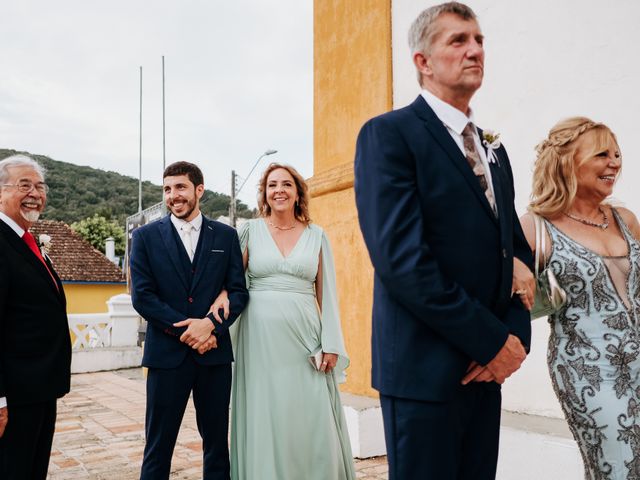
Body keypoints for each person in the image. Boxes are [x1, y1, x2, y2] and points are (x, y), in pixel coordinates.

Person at [354, 3, 535, 479]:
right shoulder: (389, 135)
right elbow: (402, 261)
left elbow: (516, 252)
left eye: (479, 41)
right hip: (424, 371)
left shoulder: (494, 150)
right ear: (423, 62)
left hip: (486, 371)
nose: (475, 50)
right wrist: (492, 340)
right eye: (458, 41)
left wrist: (515, 340)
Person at [211, 163, 355, 480]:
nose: (279, 190)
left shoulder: (317, 235)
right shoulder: (249, 231)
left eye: (286, 184)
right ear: (265, 193)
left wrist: (330, 343)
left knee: (310, 413)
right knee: (265, 413)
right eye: (272, 184)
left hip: (305, 338)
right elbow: (232, 281)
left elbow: (326, 293)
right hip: (258, 342)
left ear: (297, 192)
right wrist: (221, 296)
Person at [517, 117, 640, 479]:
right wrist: (512, 264)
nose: (614, 162)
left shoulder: (626, 219)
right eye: (602, 154)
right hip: (588, 370)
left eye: (617, 154)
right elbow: (494, 284)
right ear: (569, 161)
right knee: (618, 469)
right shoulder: (536, 226)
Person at [130, 161, 248, 480]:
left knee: (216, 446)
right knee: (158, 447)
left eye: (180, 187)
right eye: (167, 189)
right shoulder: (144, 238)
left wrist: (210, 325)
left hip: (214, 356)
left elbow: (238, 292)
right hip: (166, 357)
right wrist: (190, 330)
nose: (173, 195)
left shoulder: (225, 236)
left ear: (199, 190)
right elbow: (143, 296)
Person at [0, 155, 71, 479]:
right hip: (14, 395)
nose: (35, 193)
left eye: (40, 186)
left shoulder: (27, 242)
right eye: (24, 185)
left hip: (40, 388)